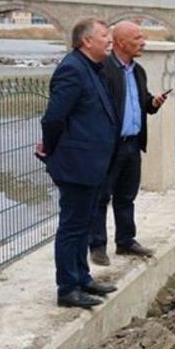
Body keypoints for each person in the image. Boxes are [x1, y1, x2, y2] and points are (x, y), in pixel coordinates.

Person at [36, 19, 118, 309]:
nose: (111, 40)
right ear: (86, 41)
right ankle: (67, 288)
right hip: (76, 164)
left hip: (92, 163)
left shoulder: (92, 68)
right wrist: (52, 149)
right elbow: (54, 118)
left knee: (83, 225)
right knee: (72, 227)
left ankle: (82, 278)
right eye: (105, 36)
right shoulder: (72, 69)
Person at [89, 21, 168, 266]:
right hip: (110, 146)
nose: (143, 42)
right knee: (101, 196)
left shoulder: (138, 71)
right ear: (121, 42)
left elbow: (141, 101)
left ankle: (125, 241)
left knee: (126, 196)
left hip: (133, 144)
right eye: (137, 38)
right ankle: (98, 246)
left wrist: (152, 103)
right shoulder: (103, 69)